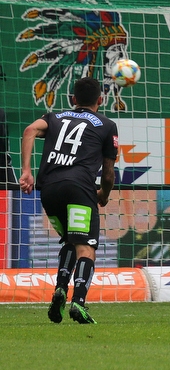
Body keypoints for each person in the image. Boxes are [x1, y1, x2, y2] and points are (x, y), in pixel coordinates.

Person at [19, 77, 118, 325]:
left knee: (71, 240)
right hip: (79, 190)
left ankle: (60, 289)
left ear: (72, 100)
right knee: (86, 247)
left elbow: (29, 130)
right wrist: (103, 196)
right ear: (101, 100)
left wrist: (26, 172)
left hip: (49, 190)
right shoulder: (106, 125)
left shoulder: (54, 117)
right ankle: (79, 303)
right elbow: (107, 173)